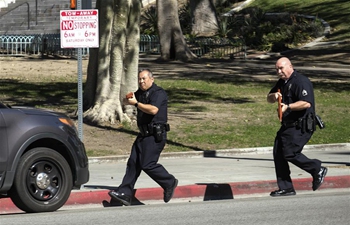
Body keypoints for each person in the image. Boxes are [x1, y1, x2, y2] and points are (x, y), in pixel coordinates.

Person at [108, 69, 178, 206]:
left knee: (148, 164)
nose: (141, 81)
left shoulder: (158, 93)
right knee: (133, 163)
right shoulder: (140, 93)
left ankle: (169, 182)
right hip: (143, 135)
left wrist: (135, 103)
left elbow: (153, 110)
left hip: (155, 135)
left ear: (152, 79)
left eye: (144, 79)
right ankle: (125, 193)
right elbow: (127, 100)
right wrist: (127, 99)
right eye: (139, 79)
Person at [266, 57, 327, 197]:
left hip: (302, 125)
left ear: (290, 66)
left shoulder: (301, 81)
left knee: (290, 153)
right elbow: (268, 98)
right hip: (288, 125)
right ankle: (286, 188)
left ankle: (317, 169)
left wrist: (288, 107)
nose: (279, 72)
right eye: (277, 69)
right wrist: (273, 96)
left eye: (281, 68)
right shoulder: (282, 82)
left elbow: (306, 103)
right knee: (278, 154)